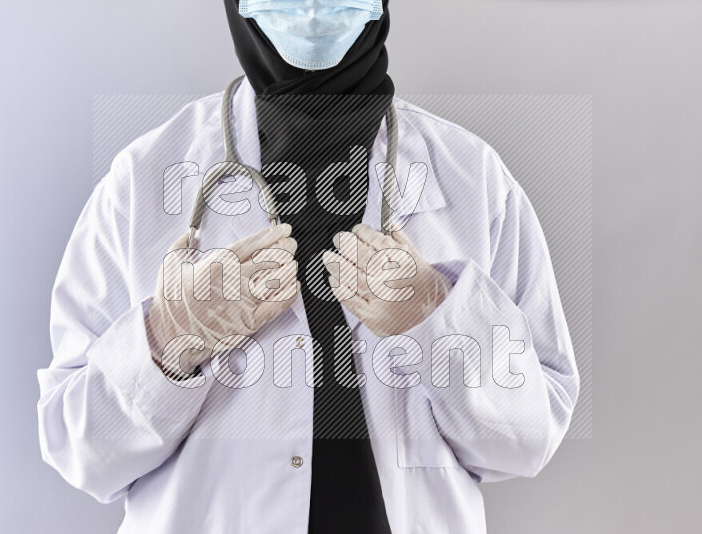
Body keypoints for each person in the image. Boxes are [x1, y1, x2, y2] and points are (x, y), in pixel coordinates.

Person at [37, 1, 580, 532]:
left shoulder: (474, 177)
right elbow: (80, 452)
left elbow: (528, 440)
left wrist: (438, 316)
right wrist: (171, 337)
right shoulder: (144, 178)